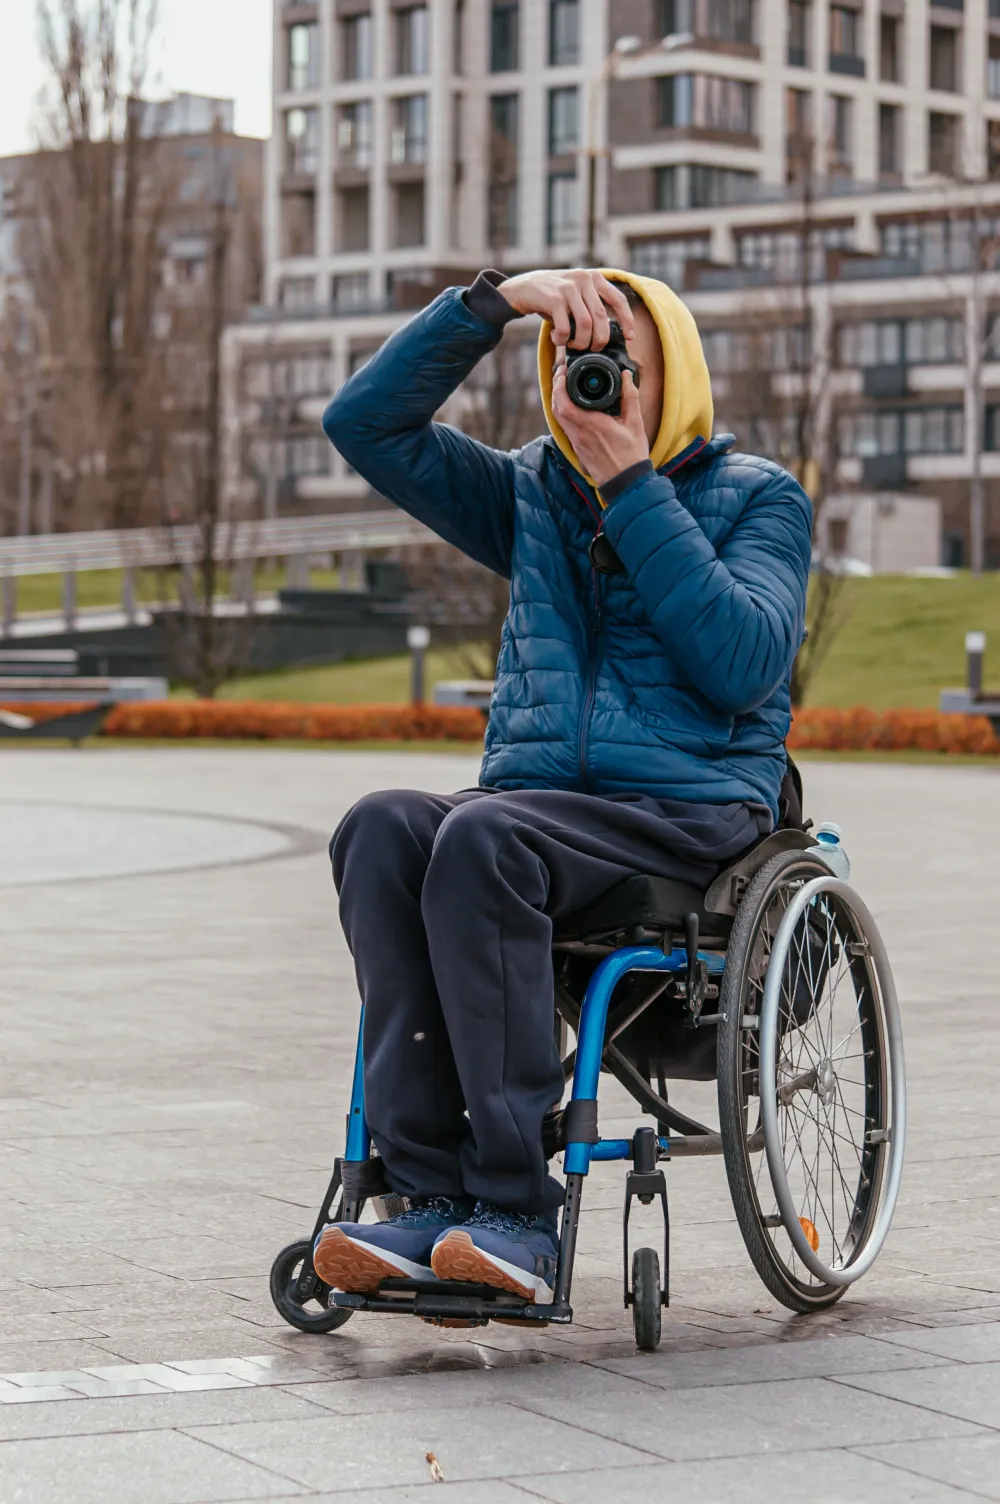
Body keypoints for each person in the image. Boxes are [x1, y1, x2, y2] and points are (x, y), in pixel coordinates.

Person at [312, 266, 812, 1304]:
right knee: (381, 828)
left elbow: (742, 661)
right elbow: (362, 422)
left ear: (665, 367)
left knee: (484, 842)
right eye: (570, 349)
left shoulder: (760, 497)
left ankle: (514, 1216)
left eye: (613, 353)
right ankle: (424, 1199)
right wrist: (494, 303)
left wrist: (633, 486)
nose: (588, 371)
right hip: (535, 805)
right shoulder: (531, 491)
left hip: (687, 810)